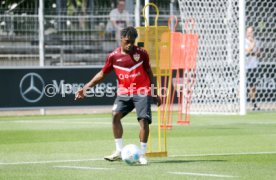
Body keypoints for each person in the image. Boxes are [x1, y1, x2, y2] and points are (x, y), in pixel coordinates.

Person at [75, 27, 161, 165]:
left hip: (142, 90)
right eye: (127, 41)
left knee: (144, 121)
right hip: (124, 92)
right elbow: (102, 75)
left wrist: (155, 92)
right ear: (121, 39)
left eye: (133, 41)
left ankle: (142, 155)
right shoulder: (113, 56)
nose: (130, 44)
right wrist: (85, 88)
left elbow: (150, 73)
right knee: (115, 115)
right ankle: (119, 151)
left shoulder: (142, 53)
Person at [245, 26, 261, 111]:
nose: (249, 33)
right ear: (246, 32)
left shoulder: (257, 42)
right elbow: (246, 52)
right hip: (245, 67)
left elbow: (258, 54)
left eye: (251, 31)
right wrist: (252, 46)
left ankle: (254, 104)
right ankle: (238, 104)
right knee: (242, 86)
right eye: (248, 31)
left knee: (253, 86)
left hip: (254, 66)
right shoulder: (244, 41)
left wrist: (256, 52)